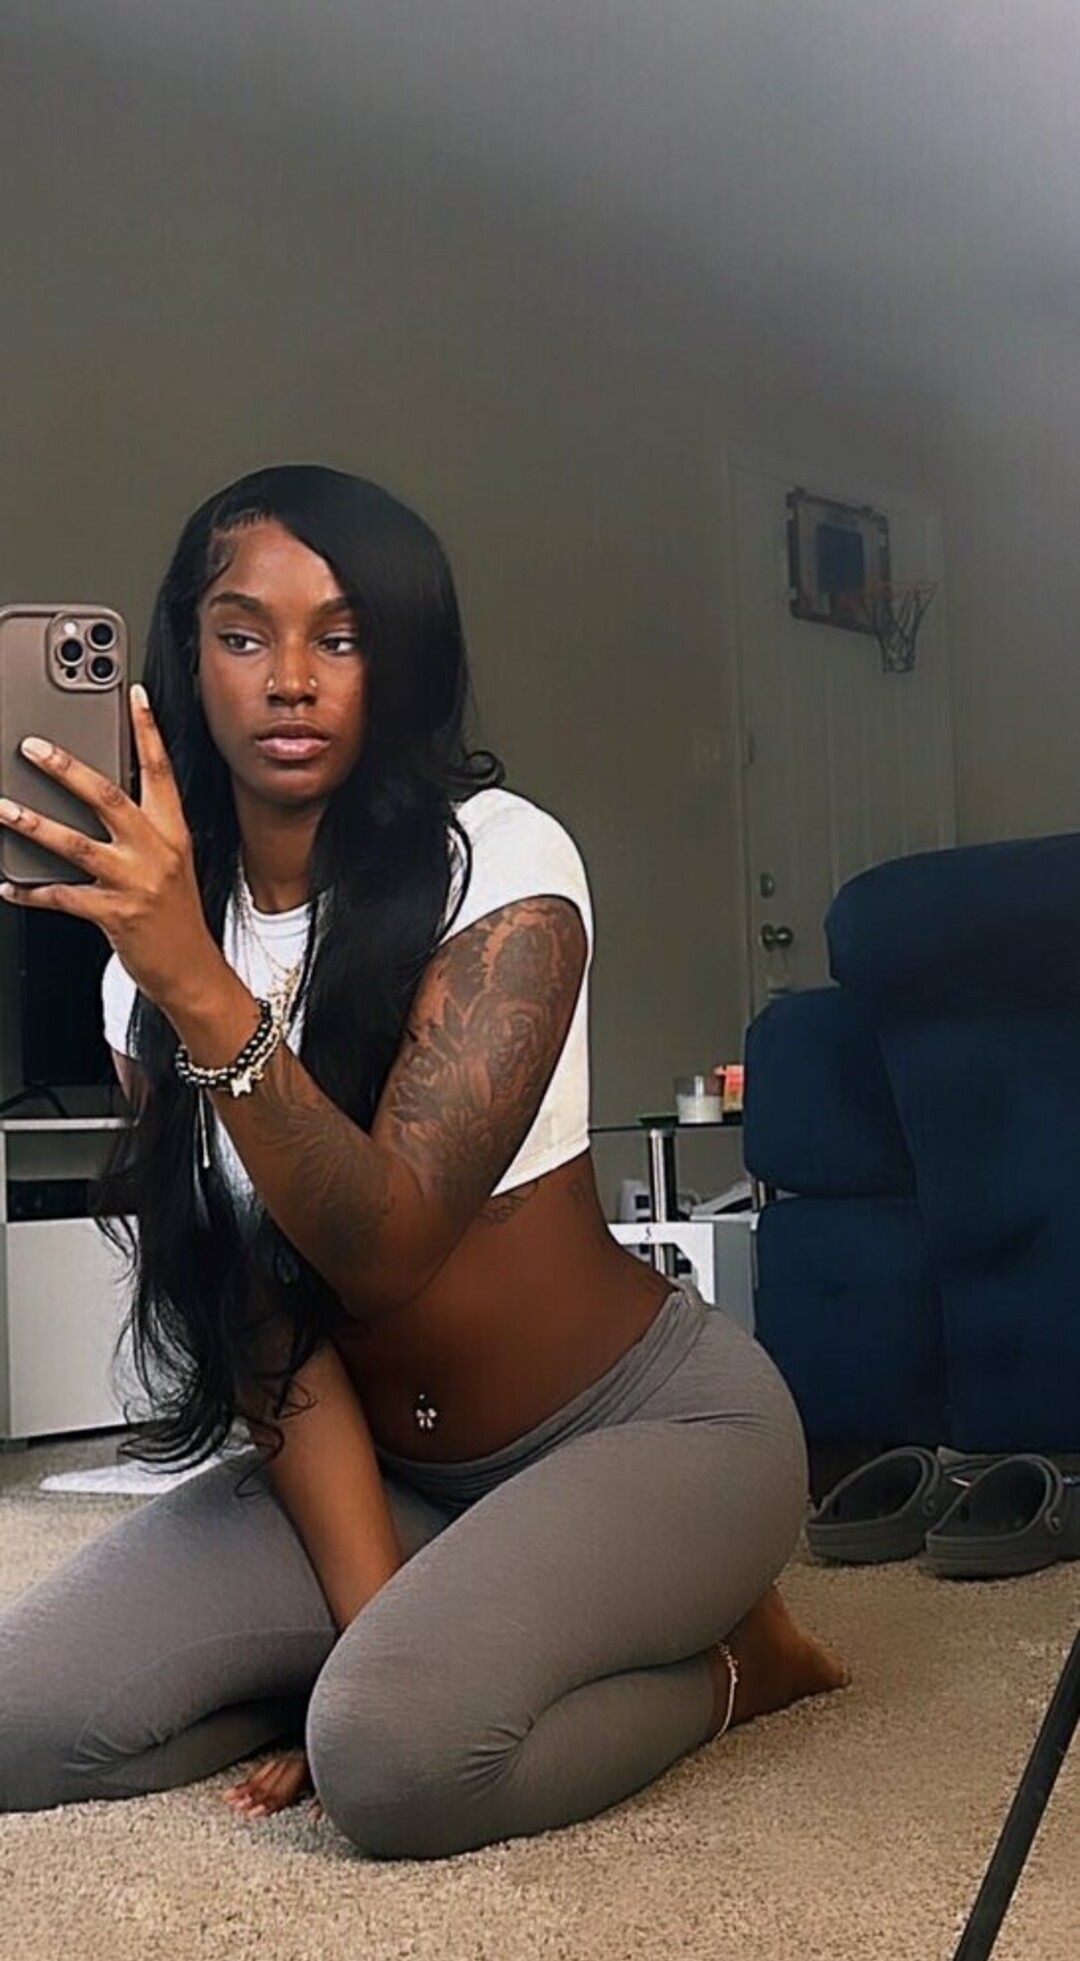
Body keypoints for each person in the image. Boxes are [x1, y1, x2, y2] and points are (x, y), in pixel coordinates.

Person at [0, 465, 847, 1858]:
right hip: (390, 1473)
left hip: (649, 1434)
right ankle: (427, 1645)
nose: (290, 679)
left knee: (393, 1766)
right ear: (186, 659)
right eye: (242, 633)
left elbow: (384, 1248)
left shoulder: (503, 864)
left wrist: (195, 979)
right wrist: (368, 1624)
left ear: (398, 663)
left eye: (339, 637)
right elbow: (259, 1316)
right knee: (21, 1718)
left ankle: (741, 1662)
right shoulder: (134, 973)